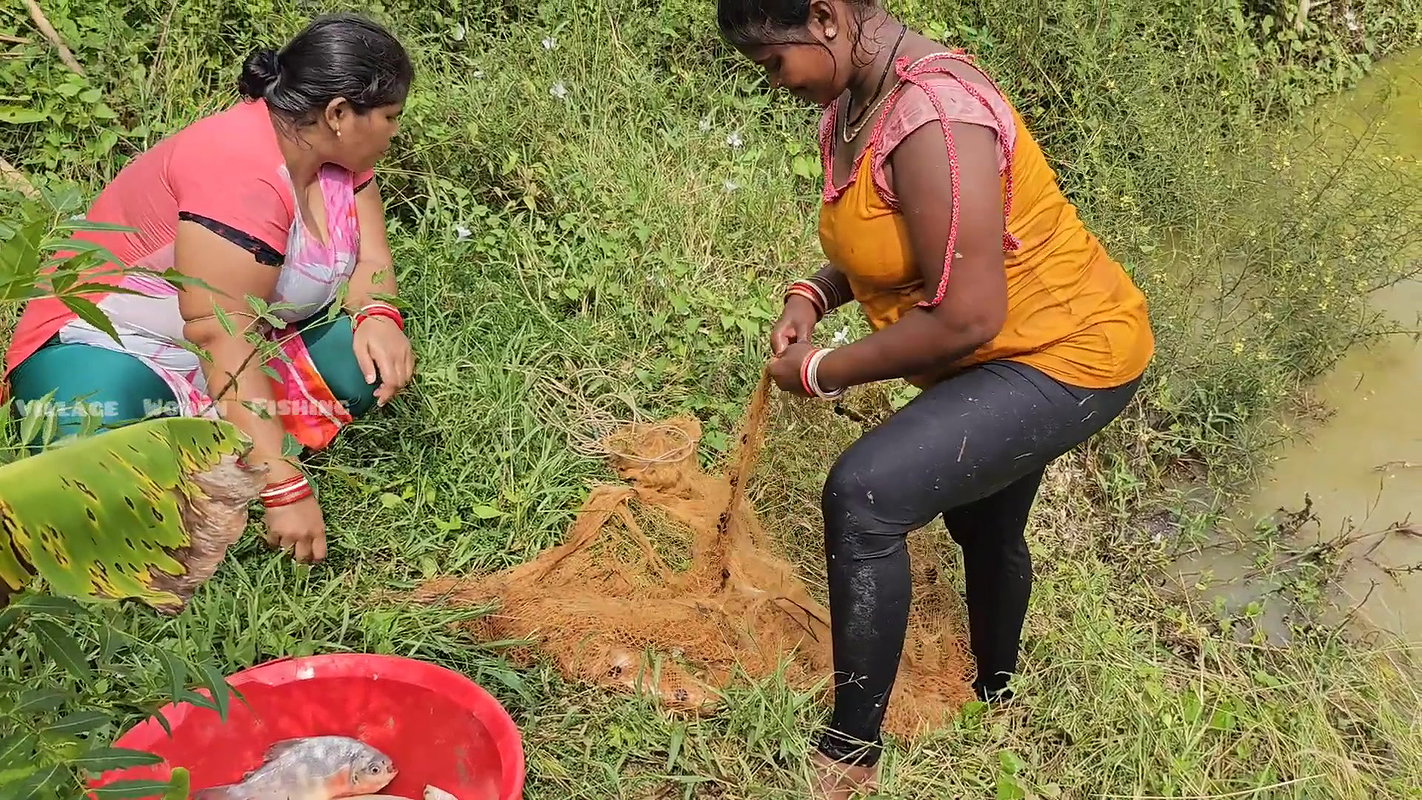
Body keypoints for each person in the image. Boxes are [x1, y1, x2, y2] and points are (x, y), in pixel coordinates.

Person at [717, 1, 1155, 796]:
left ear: (824, 17)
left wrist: (823, 371)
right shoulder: (858, 99)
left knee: (864, 496)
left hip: (1067, 350)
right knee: (981, 522)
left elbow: (966, 315)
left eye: (773, 62)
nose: (775, 82)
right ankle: (997, 692)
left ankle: (850, 753)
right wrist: (813, 293)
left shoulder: (936, 118)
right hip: (997, 350)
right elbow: (898, 239)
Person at [2, 13, 416, 565]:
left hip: (244, 350)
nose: (394, 132)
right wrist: (284, 486)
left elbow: (372, 259)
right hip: (114, 346)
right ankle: (220, 456)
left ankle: (220, 446)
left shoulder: (342, 163)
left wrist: (378, 312)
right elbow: (221, 334)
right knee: (91, 470)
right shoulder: (238, 171)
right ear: (339, 114)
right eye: (390, 117)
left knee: (364, 364)